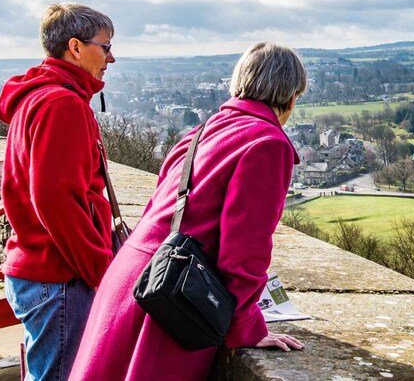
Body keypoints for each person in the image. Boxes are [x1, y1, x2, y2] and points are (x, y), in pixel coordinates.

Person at [70, 42, 306, 380]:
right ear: (291, 95)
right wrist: (245, 327)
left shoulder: (202, 131)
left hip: (132, 277)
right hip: (172, 297)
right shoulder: (267, 143)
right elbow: (244, 250)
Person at [0, 3, 117, 380]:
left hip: (39, 269)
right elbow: (55, 200)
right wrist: (101, 272)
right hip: (59, 276)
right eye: (105, 46)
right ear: (76, 47)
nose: (111, 58)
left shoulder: (39, 96)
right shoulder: (62, 104)